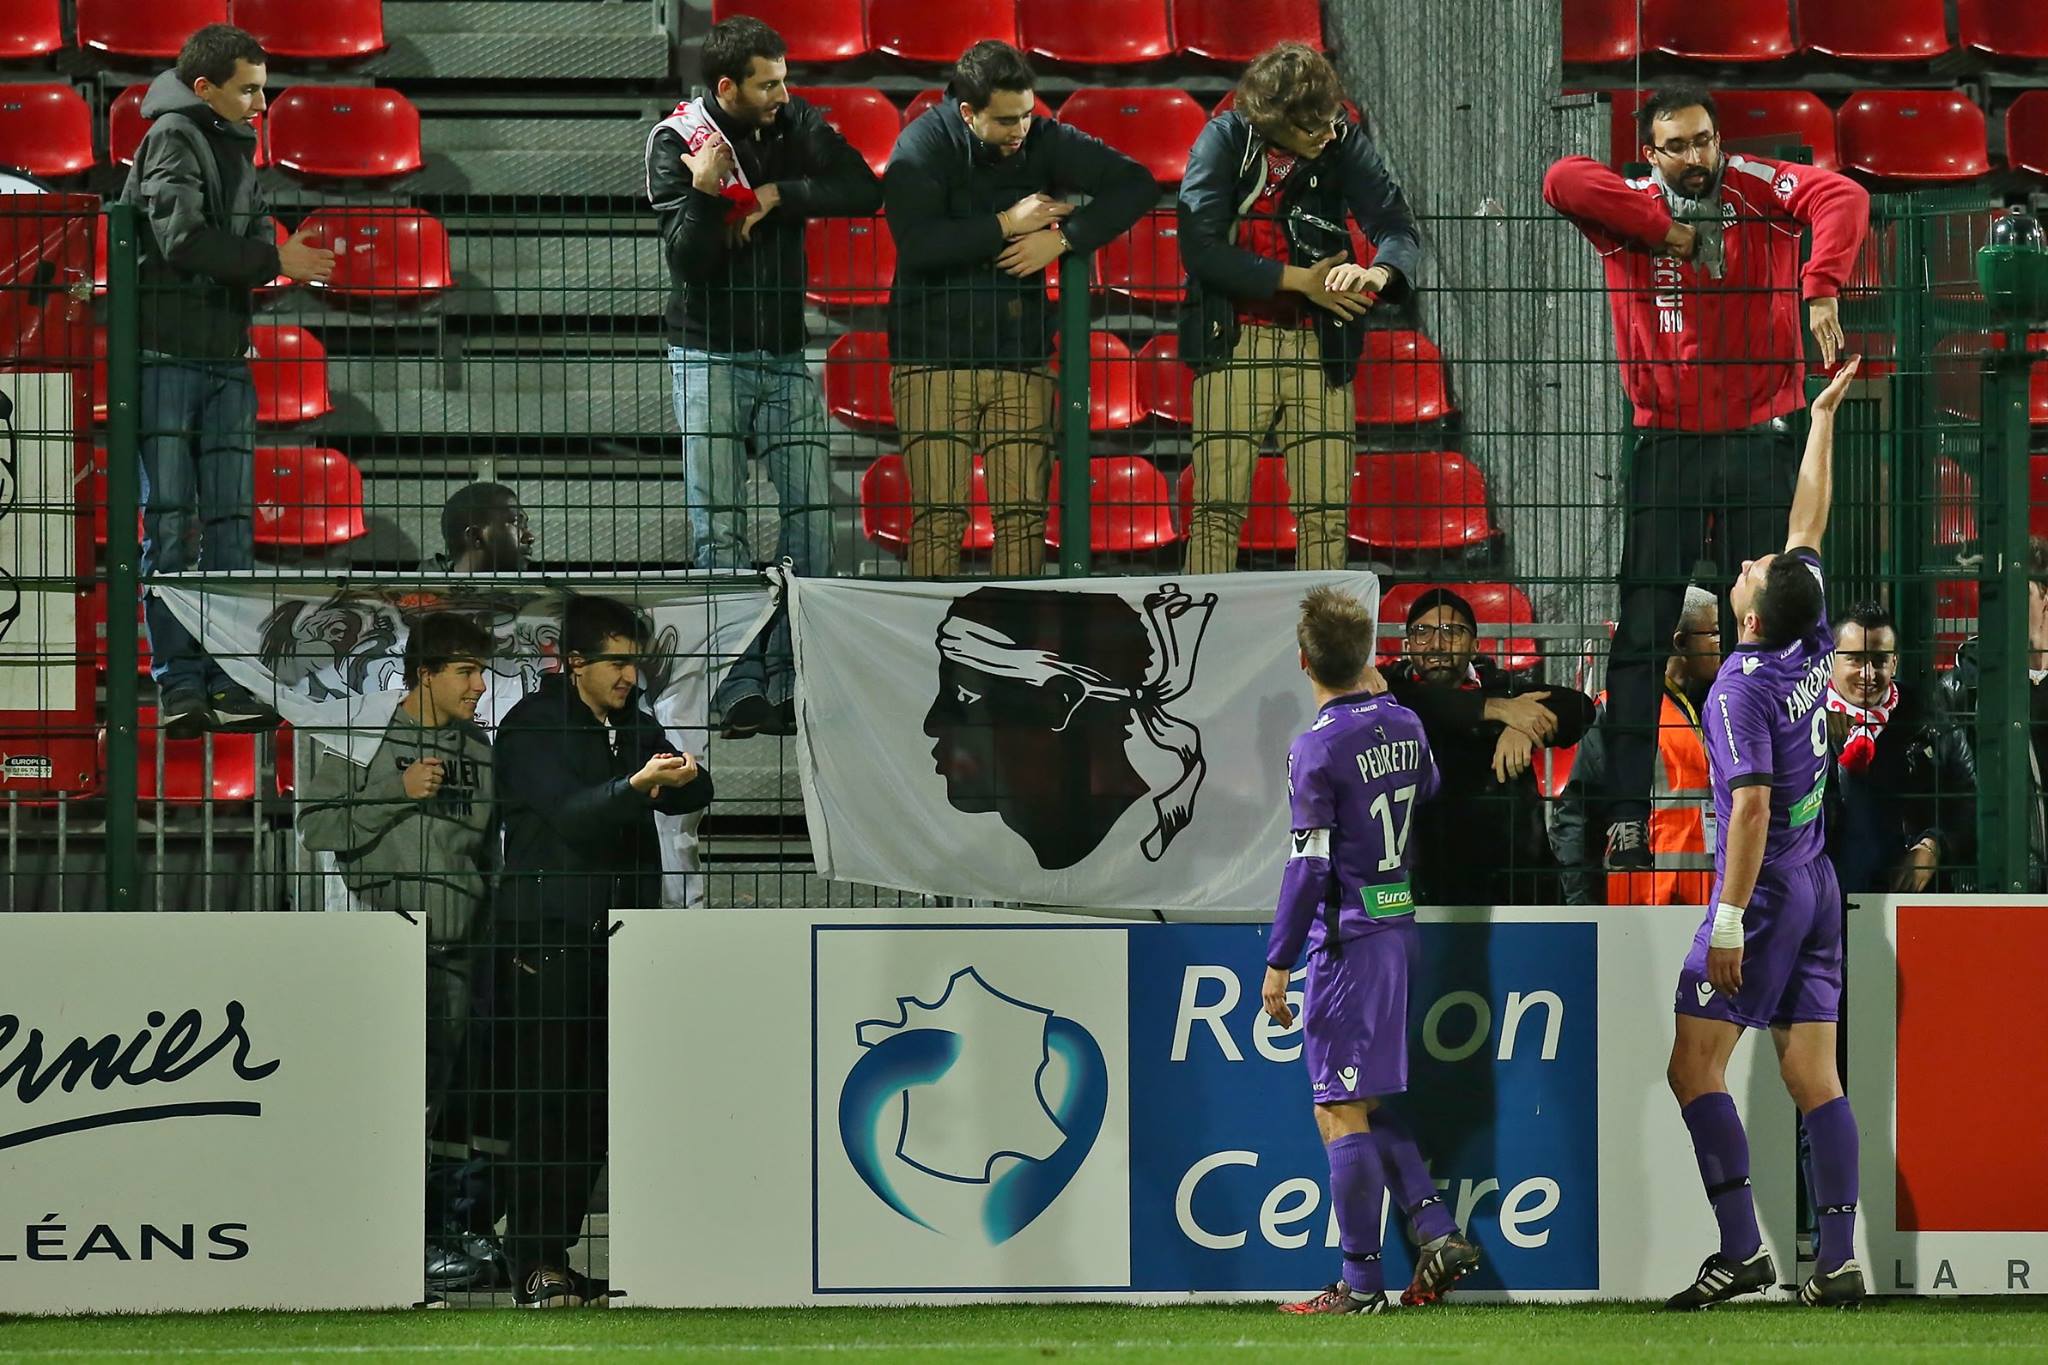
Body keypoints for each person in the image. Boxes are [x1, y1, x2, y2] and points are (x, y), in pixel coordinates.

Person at [1543, 82, 1870, 873]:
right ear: (1650, 153)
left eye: (1704, 141)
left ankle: (1763, 803)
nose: (1696, 158)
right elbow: (1561, 179)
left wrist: (1821, 284)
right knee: (1643, 629)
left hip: (1758, 437)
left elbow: (1844, 196)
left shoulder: (1755, 185)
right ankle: (1627, 815)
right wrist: (1668, 234)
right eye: (1677, 146)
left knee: (1759, 630)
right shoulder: (1628, 208)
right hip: (1669, 442)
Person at [1662, 357, 1863, 1311]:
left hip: (1770, 888)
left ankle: (1742, 1249)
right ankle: (1840, 1259)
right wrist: (1821, 418)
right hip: (1818, 878)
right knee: (1814, 1072)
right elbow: (1808, 523)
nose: (1751, 559)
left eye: (1752, 568)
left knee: (1692, 1063)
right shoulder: (1809, 632)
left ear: (1747, 611)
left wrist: (1731, 918)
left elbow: (1747, 807)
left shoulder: (1738, 687)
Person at [647, 15, 881, 735]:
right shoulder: (675, 141)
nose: (784, 93)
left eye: (784, 80)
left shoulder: (793, 121)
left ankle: (791, 675)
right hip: (707, 355)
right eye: (768, 84)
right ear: (728, 88)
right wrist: (706, 192)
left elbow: (861, 189)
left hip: (783, 356)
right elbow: (688, 261)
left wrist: (779, 195)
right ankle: (736, 683)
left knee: (811, 522)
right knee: (719, 529)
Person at [489, 594, 714, 1307]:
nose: (628, 675)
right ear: (575, 662)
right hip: (547, 944)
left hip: (618, 941)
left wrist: (681, 777)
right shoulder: (530, 727)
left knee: (594, 1109)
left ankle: (554, 1254)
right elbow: (573, 816)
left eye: (633, 662)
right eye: (616, 662)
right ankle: (533, 1260)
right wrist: (639, 785)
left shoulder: (632, 722)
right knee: (546, 1105)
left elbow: (693, 790)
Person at [1261, 586, 1479, 1315]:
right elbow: (1429, 785)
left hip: (1347, 940)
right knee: (1362, 1098)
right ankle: (1435, 1228)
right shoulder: (1406, 722)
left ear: (1304, 662)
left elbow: (1308, 865)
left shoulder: (1315, 746)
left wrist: (1279, 959)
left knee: (1336, 1105)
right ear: (1368, 657)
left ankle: (1360, 1285)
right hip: (1397, 929)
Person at [121, 23, 335, 738]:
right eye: (249, 90)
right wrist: (274, 259)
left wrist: (267, 248)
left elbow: (242, 229)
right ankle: (183, 683)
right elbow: (183, 239)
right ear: (205, 87)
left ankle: (225, 678)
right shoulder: (173, 136)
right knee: (174, 526)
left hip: (218, 356)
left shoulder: (228, 139)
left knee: (225, 529)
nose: (261, 104)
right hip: (168, 358)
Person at [884, 40, 1153, 580]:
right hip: (932, 360)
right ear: (967, 112)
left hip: (1020, 355)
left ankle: (1021, 630)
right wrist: (1006, 225)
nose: (1021, 130)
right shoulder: (922, 143)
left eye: (1028, 114)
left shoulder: (1041, 137)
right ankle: (930, 634)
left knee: (1024, 519)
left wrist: (1064, 239)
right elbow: (917, 244)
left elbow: (1136, 183)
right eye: (1007, 120)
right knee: (938, 519)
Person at [295, 612, 497, 1293]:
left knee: (441, 1103)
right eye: (466, 671)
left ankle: (436, 1232)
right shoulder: (360, 734)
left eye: (480, 670)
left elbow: (486, 852)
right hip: (386, 946)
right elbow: (316, 827)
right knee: (389, 1099)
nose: (479, 684)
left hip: (459, 949)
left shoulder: (480, 749)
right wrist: (396, 791)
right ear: (424, 674)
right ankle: (387, 1239)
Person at [1177, 42, 1423, 575]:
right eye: (1314, 127)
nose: (1329, 134)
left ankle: (1322, 630)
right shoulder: (1224, 139)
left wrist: (1377, 273)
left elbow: (1395, 224)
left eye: (1332, 120)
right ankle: (1205, 623)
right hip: (1235, 342)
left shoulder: (1341, 138)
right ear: (1275, 121)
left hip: (1319, 344)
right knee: (1216, 511)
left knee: (1326, 515)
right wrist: (1301, 283)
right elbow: (1199, 248)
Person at [1387, 588, 1597, 906]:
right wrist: (1497, 710)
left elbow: (1579, 707)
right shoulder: (1392, 695)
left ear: (1475, 646)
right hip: (1421, 877)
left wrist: (1522, 728)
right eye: (1422, 631)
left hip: (1512, 878)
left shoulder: (1504, 688)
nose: (1436, 643)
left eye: (1451, 631)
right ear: (1408, 646)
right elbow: (1420, 708)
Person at [1552, 587, 1721, 906]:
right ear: (1680, 643)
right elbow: (1576, 819)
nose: (1723, 644)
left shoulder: (1716, 707)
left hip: (1703, 904)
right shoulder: (1617, 713)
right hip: (1639, 907)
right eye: (1714, 633)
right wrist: (1582, 906)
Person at [1823, 601, 1975, 895]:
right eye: (1855, 659)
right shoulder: (1804, 720)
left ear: (1894, 662)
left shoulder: (1928, 718)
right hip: (1826, 898)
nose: (1868, 674)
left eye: (1879, 660)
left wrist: (1934, 846)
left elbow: (1967, 799)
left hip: (1904, 900)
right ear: (1830, 660)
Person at [433, 482, 534, 573]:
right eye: (517, 524)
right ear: (474, 536)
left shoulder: (539, 581)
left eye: (525, 526)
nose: (530, 538)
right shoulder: (429, 585)